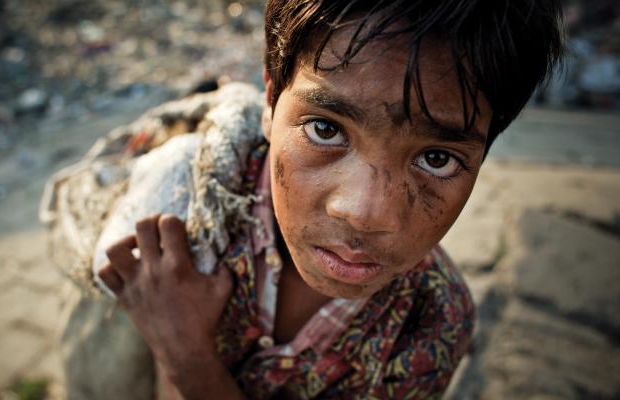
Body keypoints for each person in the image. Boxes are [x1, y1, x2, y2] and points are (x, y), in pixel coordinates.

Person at [87, 0, 564, 398]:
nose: (363, 213)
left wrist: (185, 354)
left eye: (436, 158)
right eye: (326, 129)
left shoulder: (433, 322)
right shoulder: (196, 203)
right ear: (271, 100)